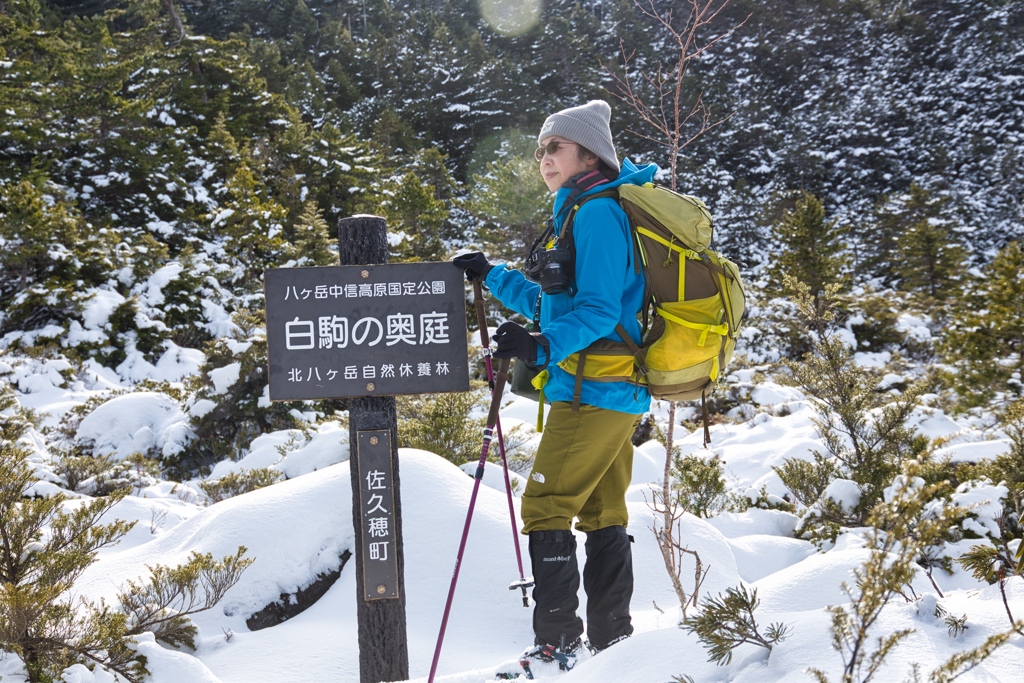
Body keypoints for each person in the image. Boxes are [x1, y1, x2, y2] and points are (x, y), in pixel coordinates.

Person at [453, 100, 658, 676]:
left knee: (546, 506)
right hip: (610, 391)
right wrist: (491, 276)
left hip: (592, 394)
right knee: (602, 512)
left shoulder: (595, 213)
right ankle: (615, 647)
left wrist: (542, 347)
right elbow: (559, 302)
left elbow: (594, 311)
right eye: (541, 148)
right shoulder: (582, 210)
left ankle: (557, 648)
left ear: (588, 154)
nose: (544, 159)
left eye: (556, 148)